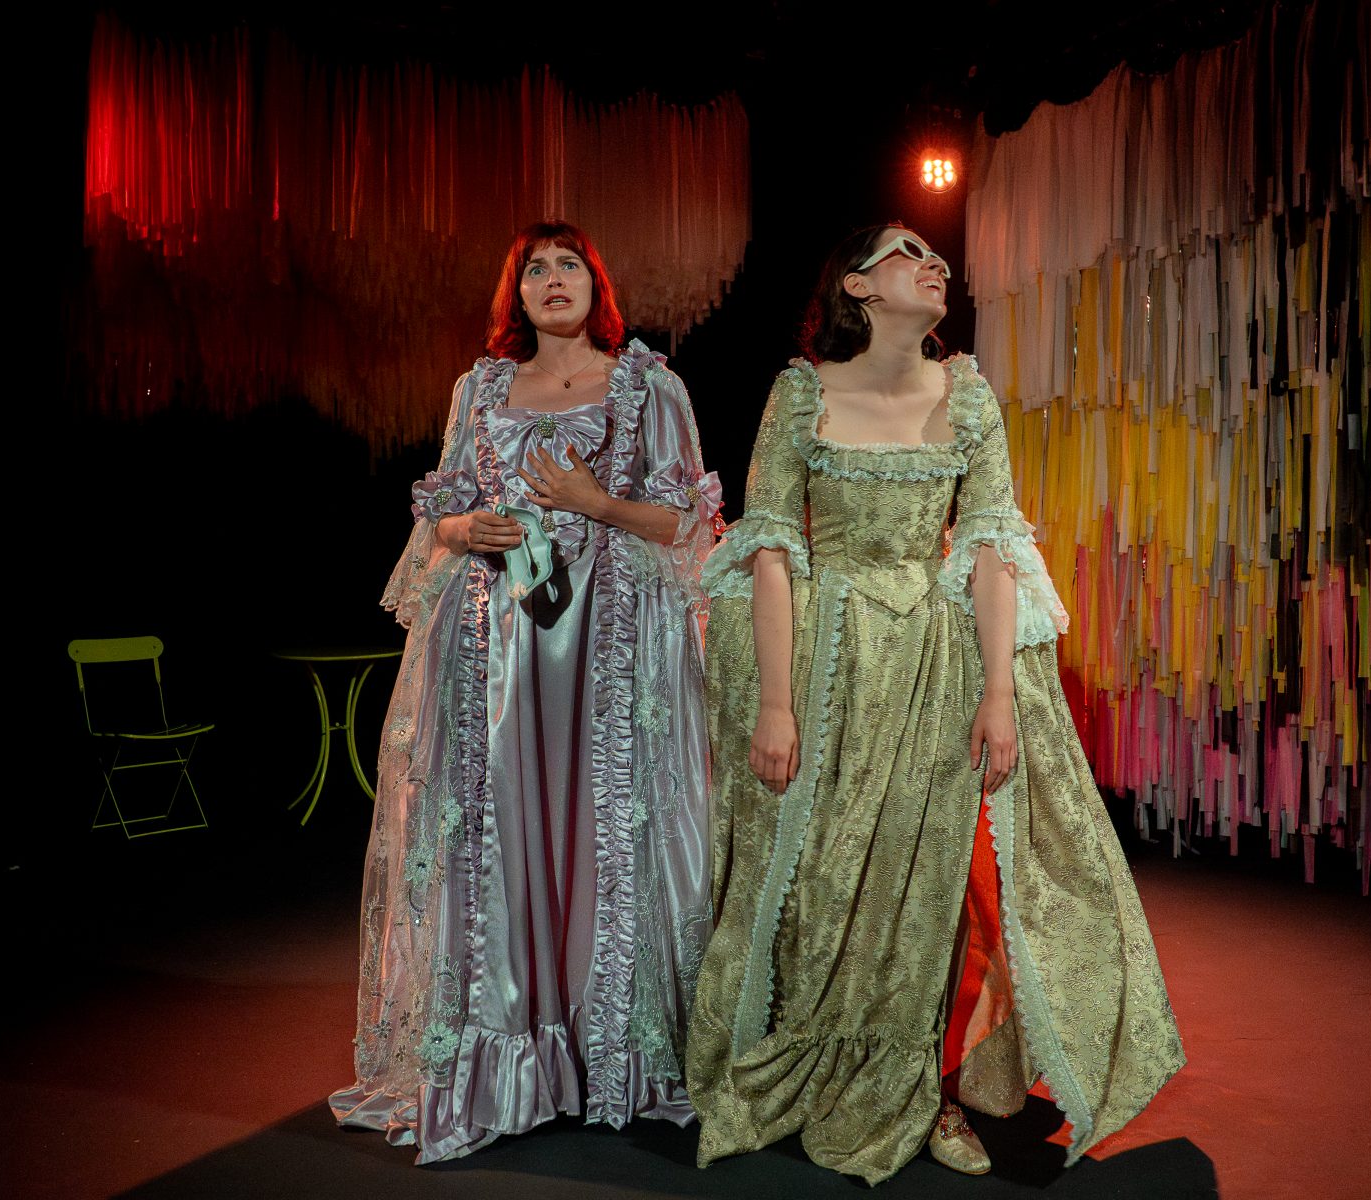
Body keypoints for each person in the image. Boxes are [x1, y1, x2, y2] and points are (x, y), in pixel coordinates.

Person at [686, 224, 1184, 1183]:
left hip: (936, 656)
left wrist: (998, 693)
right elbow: (773, 550)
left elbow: (990, 546)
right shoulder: (801, 394)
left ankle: (933, 1089)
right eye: (909, 251)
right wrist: (777, 705)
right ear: (857, 285)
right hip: (832, 662)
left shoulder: (968, 395)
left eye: (938, 257)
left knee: (939, 882)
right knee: (829, 873)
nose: (936, 265)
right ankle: (827, 1064)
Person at [331, 221, 721, 1162]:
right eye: (534, 268)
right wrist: (467, 530)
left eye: (568, 264)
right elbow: (439, 515)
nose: (553, 279)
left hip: (614, 646)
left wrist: (597, 505)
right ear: (516, 293)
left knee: (606, 830)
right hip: (498, 648)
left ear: (597, 282)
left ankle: (610, 1055)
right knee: (501, 834)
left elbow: (688, 522)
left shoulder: (649, 387)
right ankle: (508, 1061)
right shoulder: (480, 390)